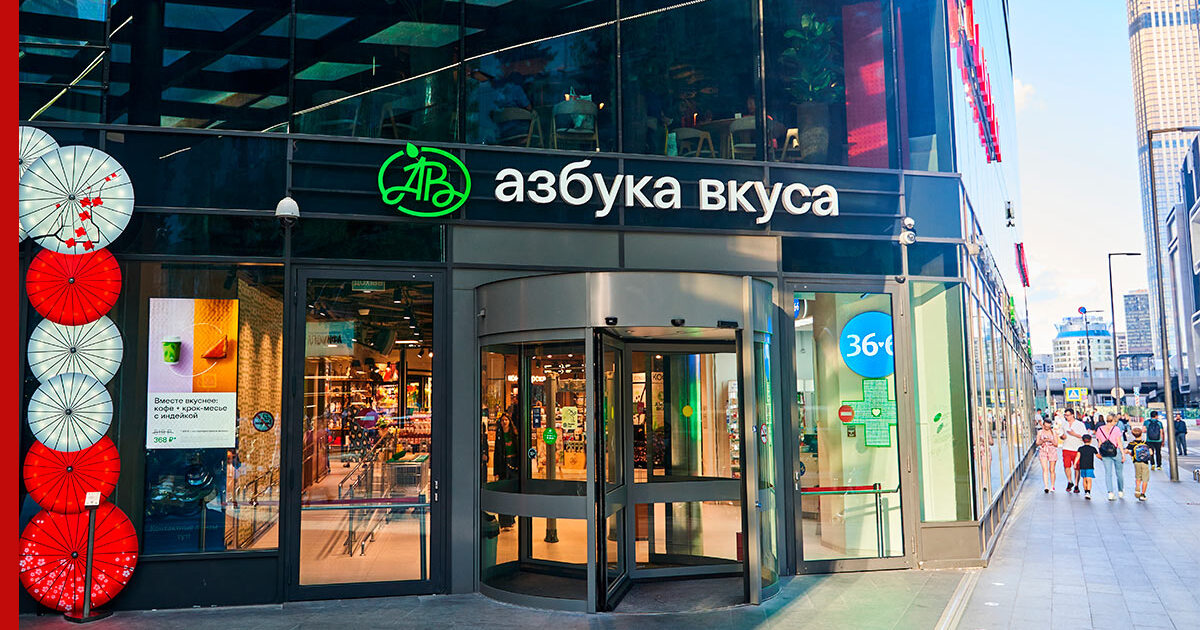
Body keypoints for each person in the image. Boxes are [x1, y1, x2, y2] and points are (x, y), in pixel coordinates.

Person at [493, 413, 520, 527]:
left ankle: (512, 516)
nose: (504, 422)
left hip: (513, 465)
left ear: (509, 421)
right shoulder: (499, 434)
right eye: (502, 420)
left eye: (506, 420)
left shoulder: (514, 433)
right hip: (503, 466)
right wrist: (496, 472)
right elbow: (496, 452)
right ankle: (505, 521)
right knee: (503, 491)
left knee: (513, 491)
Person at [1095, 414, 1125, 500]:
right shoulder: (1116, 429)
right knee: (1119, 473)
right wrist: (1123, 454)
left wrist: (1100, 453)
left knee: (1108, 473)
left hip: (1105, 452)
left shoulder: (1100, 429)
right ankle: (1120, 491)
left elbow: (1099, 443)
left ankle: (1110, 493)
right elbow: (1119, 442)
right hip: (1116, 451)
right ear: (1113, 421)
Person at [1060, 408, 1088, 493]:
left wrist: (1074, 434)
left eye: (1068, 415)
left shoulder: (1080, 424)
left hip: (1077, 448)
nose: (1066, 417)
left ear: (1073, 415)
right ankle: (1070, 481)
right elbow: (1061, 434)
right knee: (1066, 466)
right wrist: (1062, 437)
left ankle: (1076, 484)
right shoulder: (1064, 424)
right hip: (1066, 447)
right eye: (1065, 415)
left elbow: (1085, 437)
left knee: (1077, 468)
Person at [1127, 426, 1152, 500]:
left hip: (1136, 462)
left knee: (1138, 477)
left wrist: (1131, 453)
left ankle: (1137, 488)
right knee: (1145, 479)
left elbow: (1126, 451)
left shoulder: (1131, 444)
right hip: (1145, 462)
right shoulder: (1146, 443)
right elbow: (1151, 452)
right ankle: (1143, 494)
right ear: (1141, 434)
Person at [1036, 418, 1059, 493]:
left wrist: (1051, 440)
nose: (1046, 428)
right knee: (1045, 469)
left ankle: (1052, 486)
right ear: (1043, 425)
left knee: (1052, 469)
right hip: (1043, 450)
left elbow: (1056, 444)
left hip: (1052, 450)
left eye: (1048, 426)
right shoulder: (1040, 432)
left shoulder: (1054, 432)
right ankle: (1046, 486)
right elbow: (1037, 443)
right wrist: (1043, 441)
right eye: (1045, 426)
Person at [1075, 434, 1099, 499]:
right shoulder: (1093, 448)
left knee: (1084, 479)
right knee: (1089, 479)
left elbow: (1078, 456)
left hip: (1082, 466)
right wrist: (1103, 458)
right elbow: (1098, 455)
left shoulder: (1080, 448)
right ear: (1091, 440)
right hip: (1090, 466)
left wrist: (1075, 463)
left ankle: (1086, 492)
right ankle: (1088, 492)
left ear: (1083, 440)